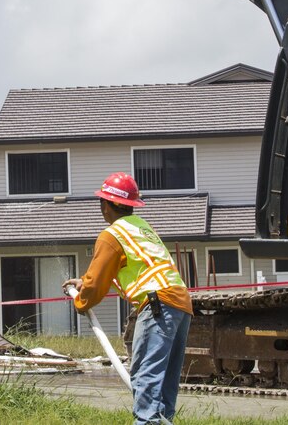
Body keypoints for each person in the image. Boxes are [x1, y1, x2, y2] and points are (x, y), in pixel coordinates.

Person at [63, 173, 193, 425]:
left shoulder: (111, 234)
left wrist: (81, 301)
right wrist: (85, 281)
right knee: (164, 379)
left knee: (145, 377)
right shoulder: (142, 228)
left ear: (105, 204)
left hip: (158, 305)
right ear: (132, 204)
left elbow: (96, 285)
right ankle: (162, 421)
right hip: (181, 303)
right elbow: (132, 268)